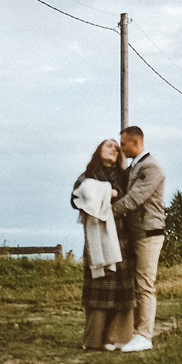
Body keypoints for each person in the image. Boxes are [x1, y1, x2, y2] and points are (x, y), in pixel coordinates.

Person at [110, 125, 166, 351]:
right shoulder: (135, 167)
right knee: (135, 284)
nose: (121, 148)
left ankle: (144, 336)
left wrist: (105, 213)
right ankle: (133, 333)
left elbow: (134, 199)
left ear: (135, 142)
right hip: (137, 233)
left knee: (144, 284)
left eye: (123, 144)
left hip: (148, 234)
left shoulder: (151, 168)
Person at [72, 138, 131, 351]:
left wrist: (105, 193)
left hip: (121, 235)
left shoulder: (124, 177)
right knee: (98, 285)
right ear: (99, 151)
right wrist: (107, 192)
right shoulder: (87, 175)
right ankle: (94, 339)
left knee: (120, 289)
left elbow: (126, 196)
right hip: (96, 237)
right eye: (109, 145)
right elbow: (75, 197)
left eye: (116, 148)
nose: (113, 149)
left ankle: (114, 338)